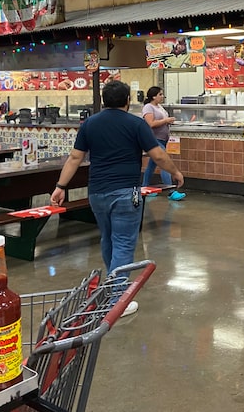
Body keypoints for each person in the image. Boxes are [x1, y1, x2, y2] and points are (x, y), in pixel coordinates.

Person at [50, 81, 184, 316]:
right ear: (127, 100)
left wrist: (61, 186)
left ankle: (112, 286)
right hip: (128, 191)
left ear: (103, 100)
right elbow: (158, 156)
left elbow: (74, 158)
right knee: (123, 242)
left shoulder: (90, 123)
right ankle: (114, 300)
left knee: (108, 238)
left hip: (97, 192)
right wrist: (175, 172)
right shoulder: (136, 124)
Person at [141, 86, 185, 201]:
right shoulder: (148, 107)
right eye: (160, 94)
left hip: (163, 139)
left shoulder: (159, 107)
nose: (162, 96)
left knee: (151, 165)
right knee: (164, 162)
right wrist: (166, 120)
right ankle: (171, 191)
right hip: (154, 139)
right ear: (153, 96)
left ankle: (144, 187)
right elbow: (151, 123)